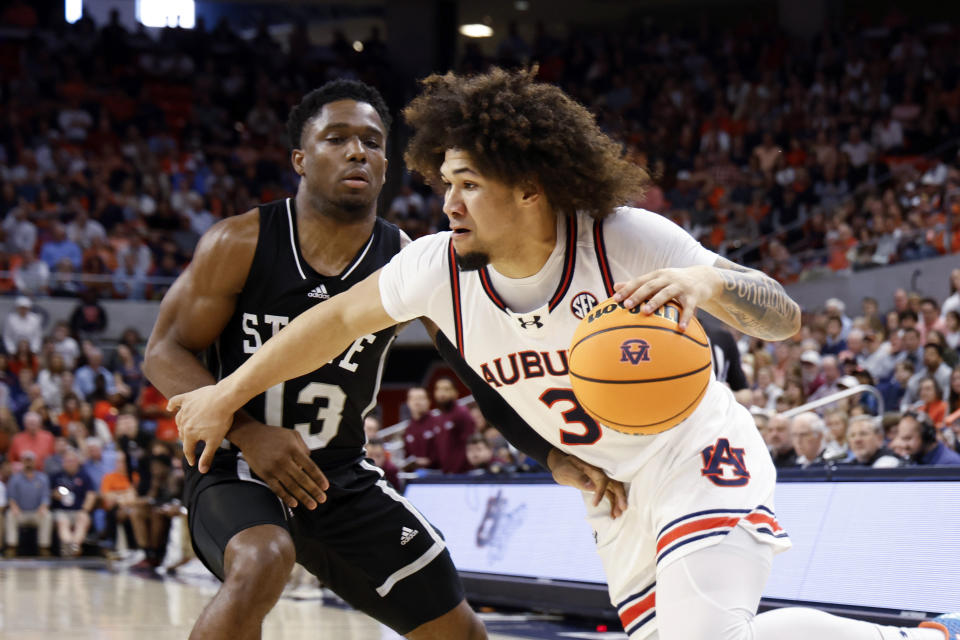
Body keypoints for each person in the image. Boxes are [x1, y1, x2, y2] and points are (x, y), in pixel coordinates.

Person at [169, 69, 956, 640]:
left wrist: (701, 283)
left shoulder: (625, 238)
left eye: (467, 184)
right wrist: (223, 394)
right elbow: (330, 323)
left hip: (695, 458)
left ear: (530, 189)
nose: (447, 204)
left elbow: (782, 318)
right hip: (612, 490)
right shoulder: (435, 266)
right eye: (445, 182)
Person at [145, 80, 621, 640]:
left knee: (460, 631)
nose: (357, 152)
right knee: (262, 559)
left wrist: (548, 453)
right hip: (234, 467)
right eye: (337, 138)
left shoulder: (407, 261)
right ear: (300, 159)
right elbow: (163, 351)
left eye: (372, 141)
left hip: (338, 475)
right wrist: (249, 433)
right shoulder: (241, 242)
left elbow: (479, 377)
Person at [50, 448, 97, 557]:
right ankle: (70, 545)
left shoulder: (84, 476)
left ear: (77, 462)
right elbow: (51, 493)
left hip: (78, 510)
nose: (70, 464)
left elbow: (91, 495)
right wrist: (56, 494)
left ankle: (73, 547)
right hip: (62, 510)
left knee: (83, 519)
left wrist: (84, 510)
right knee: (62, 522)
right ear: (63, 463)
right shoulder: (57, 477)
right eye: (67, 461)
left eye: (72, 461)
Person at [5, 451, 52, 557]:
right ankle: (11, 547)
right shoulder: (15, 478)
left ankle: (43, 548)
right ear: (22, 462)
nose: (28, 463)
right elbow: (11, 497)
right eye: (26, 461)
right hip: (20, 513)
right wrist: (14, 507)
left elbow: (46, 497)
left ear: (35, 462)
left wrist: (43, 506)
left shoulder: (42, 478)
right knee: (10, 514)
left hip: (36, 513)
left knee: (47, 515)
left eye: (30, 461)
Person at [432, 377, 475, 473]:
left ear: (455, 393)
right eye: (438, 389)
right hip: (446, 473)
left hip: (462, 474)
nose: (441, 393)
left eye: (446, 389)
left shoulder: (462, 413)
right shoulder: (439, 417)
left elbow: (469, 444)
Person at [895, 411, 960, 466]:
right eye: (902, 439)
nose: (903, 445)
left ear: (926, 437)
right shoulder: (913, 461)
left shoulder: (951, 464)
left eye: (908, 438)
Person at [402, 386, 441, 469]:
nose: (417, 402)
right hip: (415, 477)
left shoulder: (438, 422)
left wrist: (429, 461)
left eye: (420, 398)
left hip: (437, 474)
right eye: (413, 399)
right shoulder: (408, 429)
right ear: (408, 402)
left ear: (428, 401)